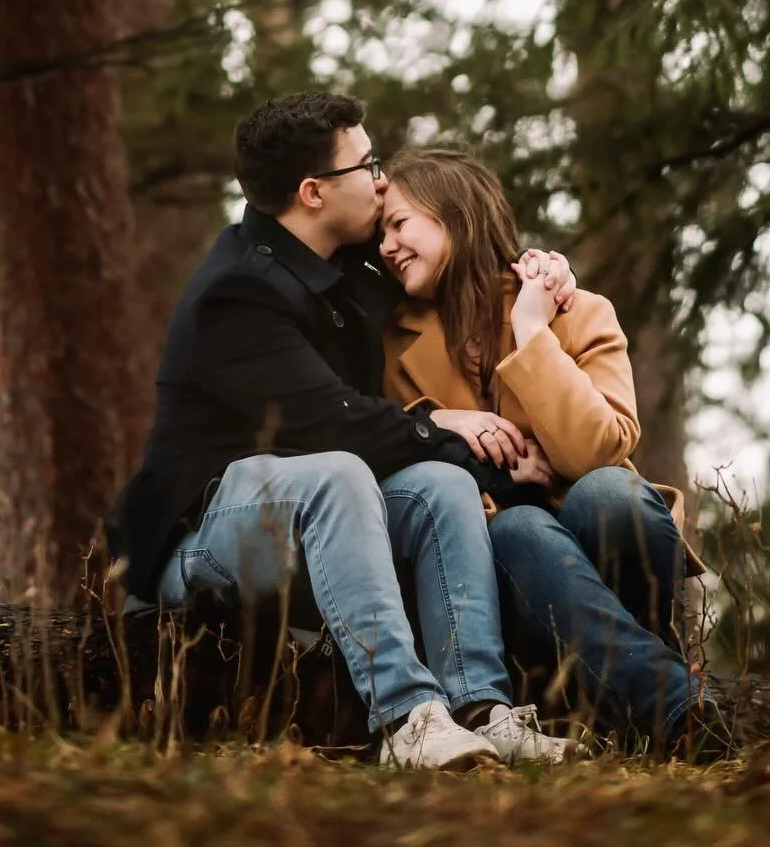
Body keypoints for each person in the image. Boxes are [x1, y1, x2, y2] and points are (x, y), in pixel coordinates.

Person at [107, 92, 584, 770]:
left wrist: (537, 271)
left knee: (439, 484)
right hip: (208, 540)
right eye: (368, 164)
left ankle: (481, 707)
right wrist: (471, 443)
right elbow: (333, 426)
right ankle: (407, 720)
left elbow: (453, 257)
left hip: (317, 520)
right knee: (339, 469)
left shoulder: (349, 264)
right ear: (312, 192)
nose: (383, 181)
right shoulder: (237, 291)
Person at [378, 145, 733, 757]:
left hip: (610, 547)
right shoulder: (391, 343)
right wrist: (496, 467)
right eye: (381, 231)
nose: (386, 245)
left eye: (399, 223)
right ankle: (675, 708)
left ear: (454, 216)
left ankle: (622, 688)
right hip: (504, 586)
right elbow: (403, 466)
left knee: (611, 492)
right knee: (518, 529)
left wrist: (533, 332)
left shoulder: (578, 311)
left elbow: (602, 448)